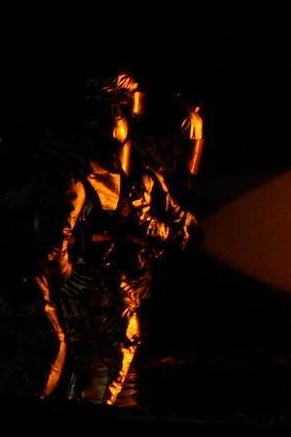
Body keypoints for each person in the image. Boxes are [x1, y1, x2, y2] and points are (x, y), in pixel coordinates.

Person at [0, 73, 136, 397]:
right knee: (40, 340)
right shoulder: (65, 178)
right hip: (0, 264)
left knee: (4, 348)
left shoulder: (36, 156)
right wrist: (67, 274)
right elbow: (49, 245)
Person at [59, 93, 202, 405]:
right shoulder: (128, 172)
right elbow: (134, 219)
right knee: (104, 355)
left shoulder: (140, 172)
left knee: (101, 363)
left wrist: (186, 224)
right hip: (96, 279)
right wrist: (175, 235)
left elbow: (167, 208)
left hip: (106, 280)